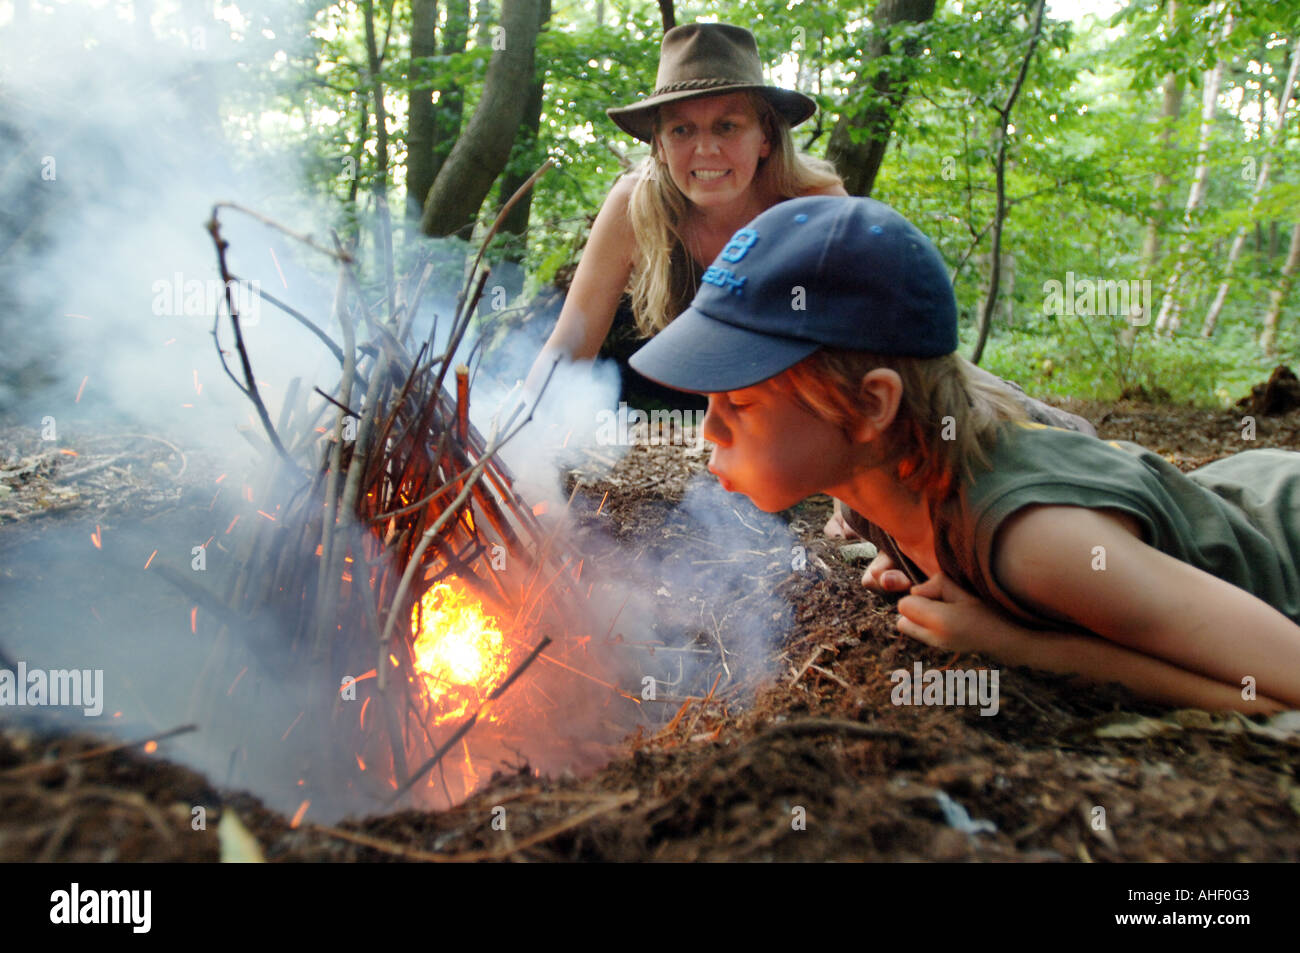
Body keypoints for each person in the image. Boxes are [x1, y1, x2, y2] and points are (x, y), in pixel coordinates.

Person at [628, 196, 1300, 713]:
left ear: (870, 405)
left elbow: (1273, 687)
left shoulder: (1037, 544)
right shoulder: (875, 485)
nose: (709, 429)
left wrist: (1023, 647)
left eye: (740, 404)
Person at [530, 21, 1091, 537]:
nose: (705, 148)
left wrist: (857, 499)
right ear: (658, 142)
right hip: (743, 407)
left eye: (728, 125)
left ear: (766, 137)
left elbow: (875, 345)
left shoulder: (811, 200)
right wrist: (513, 450)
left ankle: (1088, 475)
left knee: (995, 436)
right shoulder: (634, 205)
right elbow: (571, 344)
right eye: (682, 129)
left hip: (829, 391)